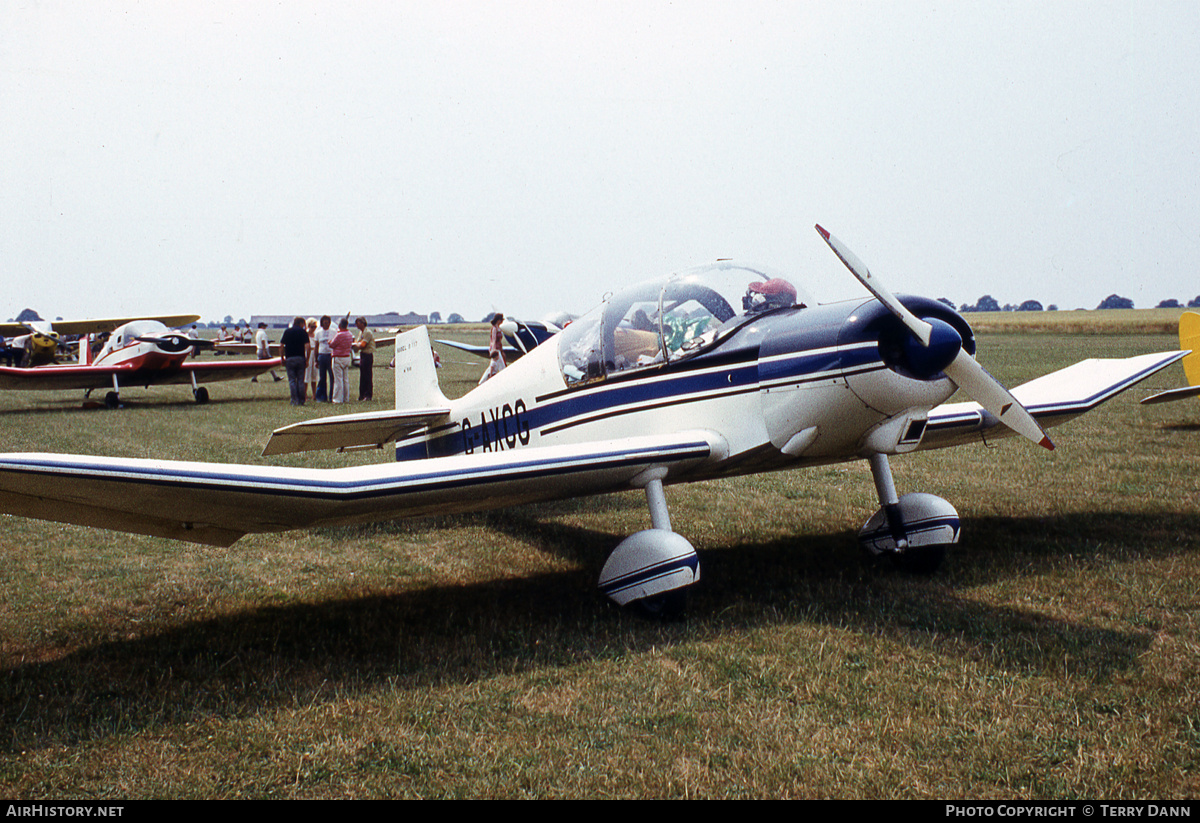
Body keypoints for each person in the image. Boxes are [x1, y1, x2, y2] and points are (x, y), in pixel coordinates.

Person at [278, 317, 310, 405]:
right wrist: (307, 359)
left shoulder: (287, 331)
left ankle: (294, 400)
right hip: (300, 358)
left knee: (292, 380)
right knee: (300, 380)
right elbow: (308, 347)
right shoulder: (303, 332)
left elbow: (281, 346)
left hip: (290, 358)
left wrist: (282, 358)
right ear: (301, 323)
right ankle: (302, 400)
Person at [329, 317, 354, 403]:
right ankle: (346, 398)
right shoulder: (350, 334)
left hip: (338, 357)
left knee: (338, 379)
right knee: (345, 379)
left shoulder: (339, 335)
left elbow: (332, 344)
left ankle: (337, 399)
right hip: (346, 357)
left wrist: (329, 341)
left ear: (339, 325)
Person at [353, 317, 376, 401]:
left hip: (368, 355)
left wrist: (357, 344)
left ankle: (368, 395)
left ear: (362, 323)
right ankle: (362, 395)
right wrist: (357, 343)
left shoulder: (367, 333)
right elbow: (357, 342)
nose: (356, 325)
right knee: (362, 376)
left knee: (367, 376)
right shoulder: (361, 332)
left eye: (358, 323)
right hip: (362, 355)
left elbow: (362, 345)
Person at [480, 312, 506, 383]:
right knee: (501, 366)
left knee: (493, 366)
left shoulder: (498, 328)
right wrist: (494, 350)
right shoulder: (494, 329)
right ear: (498, 320)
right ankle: (503, 380)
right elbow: (493, 340)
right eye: (501, 320)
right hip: (496, 349)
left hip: (499, 349)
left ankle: (482, 381)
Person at [314, 315, 334, 401]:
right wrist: (316, 359)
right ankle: (321, 397)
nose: (326, 324)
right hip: (321, 355)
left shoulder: (334, 332)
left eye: (327, 322)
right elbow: (316, 346)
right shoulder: (318, 333)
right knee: (322, 377)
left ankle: (332, 396)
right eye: (324, 322)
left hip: (331, 355)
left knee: (332, 376)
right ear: (322, 323)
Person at [304, 317, 319, 401]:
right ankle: (305, 394)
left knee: (314, 375)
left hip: (314, 353)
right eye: (312, 326)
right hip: (307, 353)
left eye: (315, 327)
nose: (314, 328)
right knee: (306, 375)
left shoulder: (316, 334)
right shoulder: (305, 334)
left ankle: (314, 395)